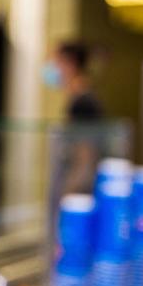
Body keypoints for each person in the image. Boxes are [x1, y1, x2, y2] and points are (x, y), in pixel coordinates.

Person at [45, 40, 105, 196]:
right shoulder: (77, 100)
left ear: (69, 63)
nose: (52, 68)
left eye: (55, 62)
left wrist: (72, 193)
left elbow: (85, 157)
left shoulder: (83, 103)